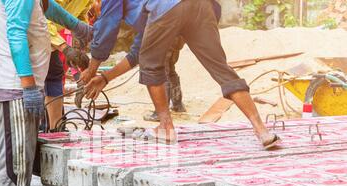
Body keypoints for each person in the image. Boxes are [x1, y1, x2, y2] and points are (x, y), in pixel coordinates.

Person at [81, 0, 280, 147]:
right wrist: (105, 78)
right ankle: (261, 130)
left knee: (151, 66)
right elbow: (137, 53)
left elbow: (106, 27)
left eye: (93, 8)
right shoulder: (143, 9)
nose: (95, 10)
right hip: (202, 6)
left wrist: (91, 70)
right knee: (221, 68)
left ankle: (166, 127)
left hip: (168, 7)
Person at [0, 0, 92, 186]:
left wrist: (77, 26)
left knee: (24, 157)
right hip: (14, 85)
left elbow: (45, 6)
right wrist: (27, 84)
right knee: (15, 157)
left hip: (25, 84)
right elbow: (15, 31)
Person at [45, 0, 94, 131]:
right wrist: (64, 47)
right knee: (38, 82)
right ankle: (43, 125)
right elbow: (40, 19)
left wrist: (80, 37)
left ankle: (55, 128)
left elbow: (78, 13)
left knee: (55, 75)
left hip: (55, 36)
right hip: (32, 36)